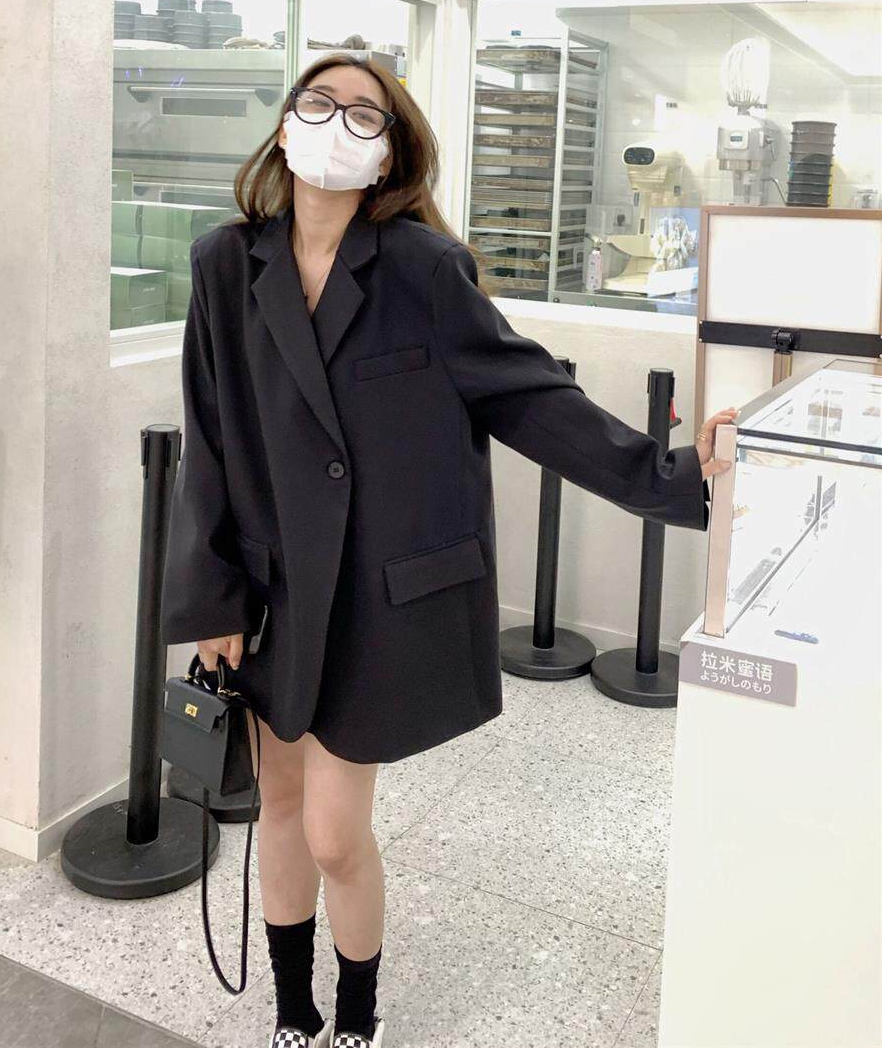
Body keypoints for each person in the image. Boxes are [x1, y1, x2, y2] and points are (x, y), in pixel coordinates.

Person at [160, 54, 737, 1048]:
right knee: (280, 806)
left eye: (364, 114)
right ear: (285, 125)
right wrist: (210, 597)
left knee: (335, 832)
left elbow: (529, 398)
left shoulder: (422, 271)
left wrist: (677, 476)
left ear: (389, 154)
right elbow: (207, 437)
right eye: (318, 103)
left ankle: (357, 1016)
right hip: (266, 592)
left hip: (367, 602)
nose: (336, 123)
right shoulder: (226, 264)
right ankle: (294, 1012)